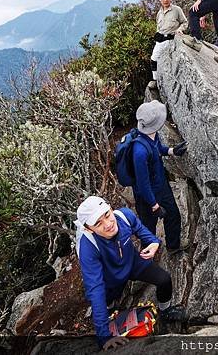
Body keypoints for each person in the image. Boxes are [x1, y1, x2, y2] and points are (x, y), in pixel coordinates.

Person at [75, 196, 185, 350]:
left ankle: (165, 309)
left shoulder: (124, 216)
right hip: (109, 278)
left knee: (164, 279)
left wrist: (153, 241)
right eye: (98, 223)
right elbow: (95, 288)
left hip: (132, 263)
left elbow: (139, 228)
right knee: (108, 302)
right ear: (88, 228)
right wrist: (104, 337)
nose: (108, 224)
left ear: (111, 209)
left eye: (107, 215)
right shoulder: (88, 248)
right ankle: (110, 312)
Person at [133, 100, 188, 254]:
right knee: (148, 229)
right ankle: (146, 261)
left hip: (160, 185)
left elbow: (158, 149)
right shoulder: (139, 152)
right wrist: (154, 205)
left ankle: (173, 246)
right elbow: (142, 184)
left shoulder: (151, 135)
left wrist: (172, 151)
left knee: (173, 215)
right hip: (147, 197)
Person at [150, 0, 188, 89]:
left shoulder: (176, 10)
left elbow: (185, 22)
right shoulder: (159, 13)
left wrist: (180, 29)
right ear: (160, 0)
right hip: (161, 40)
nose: (165, 0)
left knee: (171, 63)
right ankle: (155, 80)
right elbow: (159, 26)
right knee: (153, 59)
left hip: (172, 40)